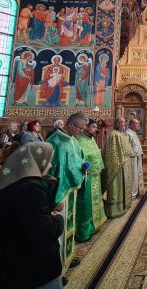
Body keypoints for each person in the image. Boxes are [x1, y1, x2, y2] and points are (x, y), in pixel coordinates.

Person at [0, 142, 64, 289]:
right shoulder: (30, 188)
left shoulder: (6, 181)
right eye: (48, 160)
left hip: (10, 261)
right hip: (32, 268)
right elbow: (43, 234)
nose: (51, 165)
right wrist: (58, 220)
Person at [47, 112, 88, 275]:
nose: (82, 131)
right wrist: (56, 197)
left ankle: (67, 257)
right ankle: (58, 269)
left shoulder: (72, 139)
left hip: (70, 190)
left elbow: (76, 160)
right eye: (80, 128)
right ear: (71, 125)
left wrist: (83, 165)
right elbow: (55, 171)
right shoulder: (56, 141)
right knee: (58, 230)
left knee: (68, 225)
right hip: (60, 192)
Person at [75, 119, 107, 242]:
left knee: (96, 199)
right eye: (93, 127)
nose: (95, 129)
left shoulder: (91, 138)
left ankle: (96, 224)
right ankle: (86, 228)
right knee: (87, 202)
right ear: (86, 127)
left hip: (96, 175)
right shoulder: (79, 140)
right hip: (87, 177)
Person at [102, 117, 134, 218]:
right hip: (118, 167)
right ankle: (115, 210)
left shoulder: (121, 134)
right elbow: (113, 154)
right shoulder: (114, 135)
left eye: (125, 122)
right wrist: (118, 164)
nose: (124, 124)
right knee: (117, 188)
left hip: (124, 166)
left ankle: (123, 206)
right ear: (116, 124)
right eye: (122, 122)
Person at [124, 119, 144, 198]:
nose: (138, 125)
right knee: (133, 175)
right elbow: (126, 147)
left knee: (136, 175)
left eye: (138, 123)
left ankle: (136, 191)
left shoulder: (133, 132)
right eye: (137, 123)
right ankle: (132, 193)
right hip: (131, 158)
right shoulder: (127, 133)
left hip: (136, 157)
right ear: (132, 124)